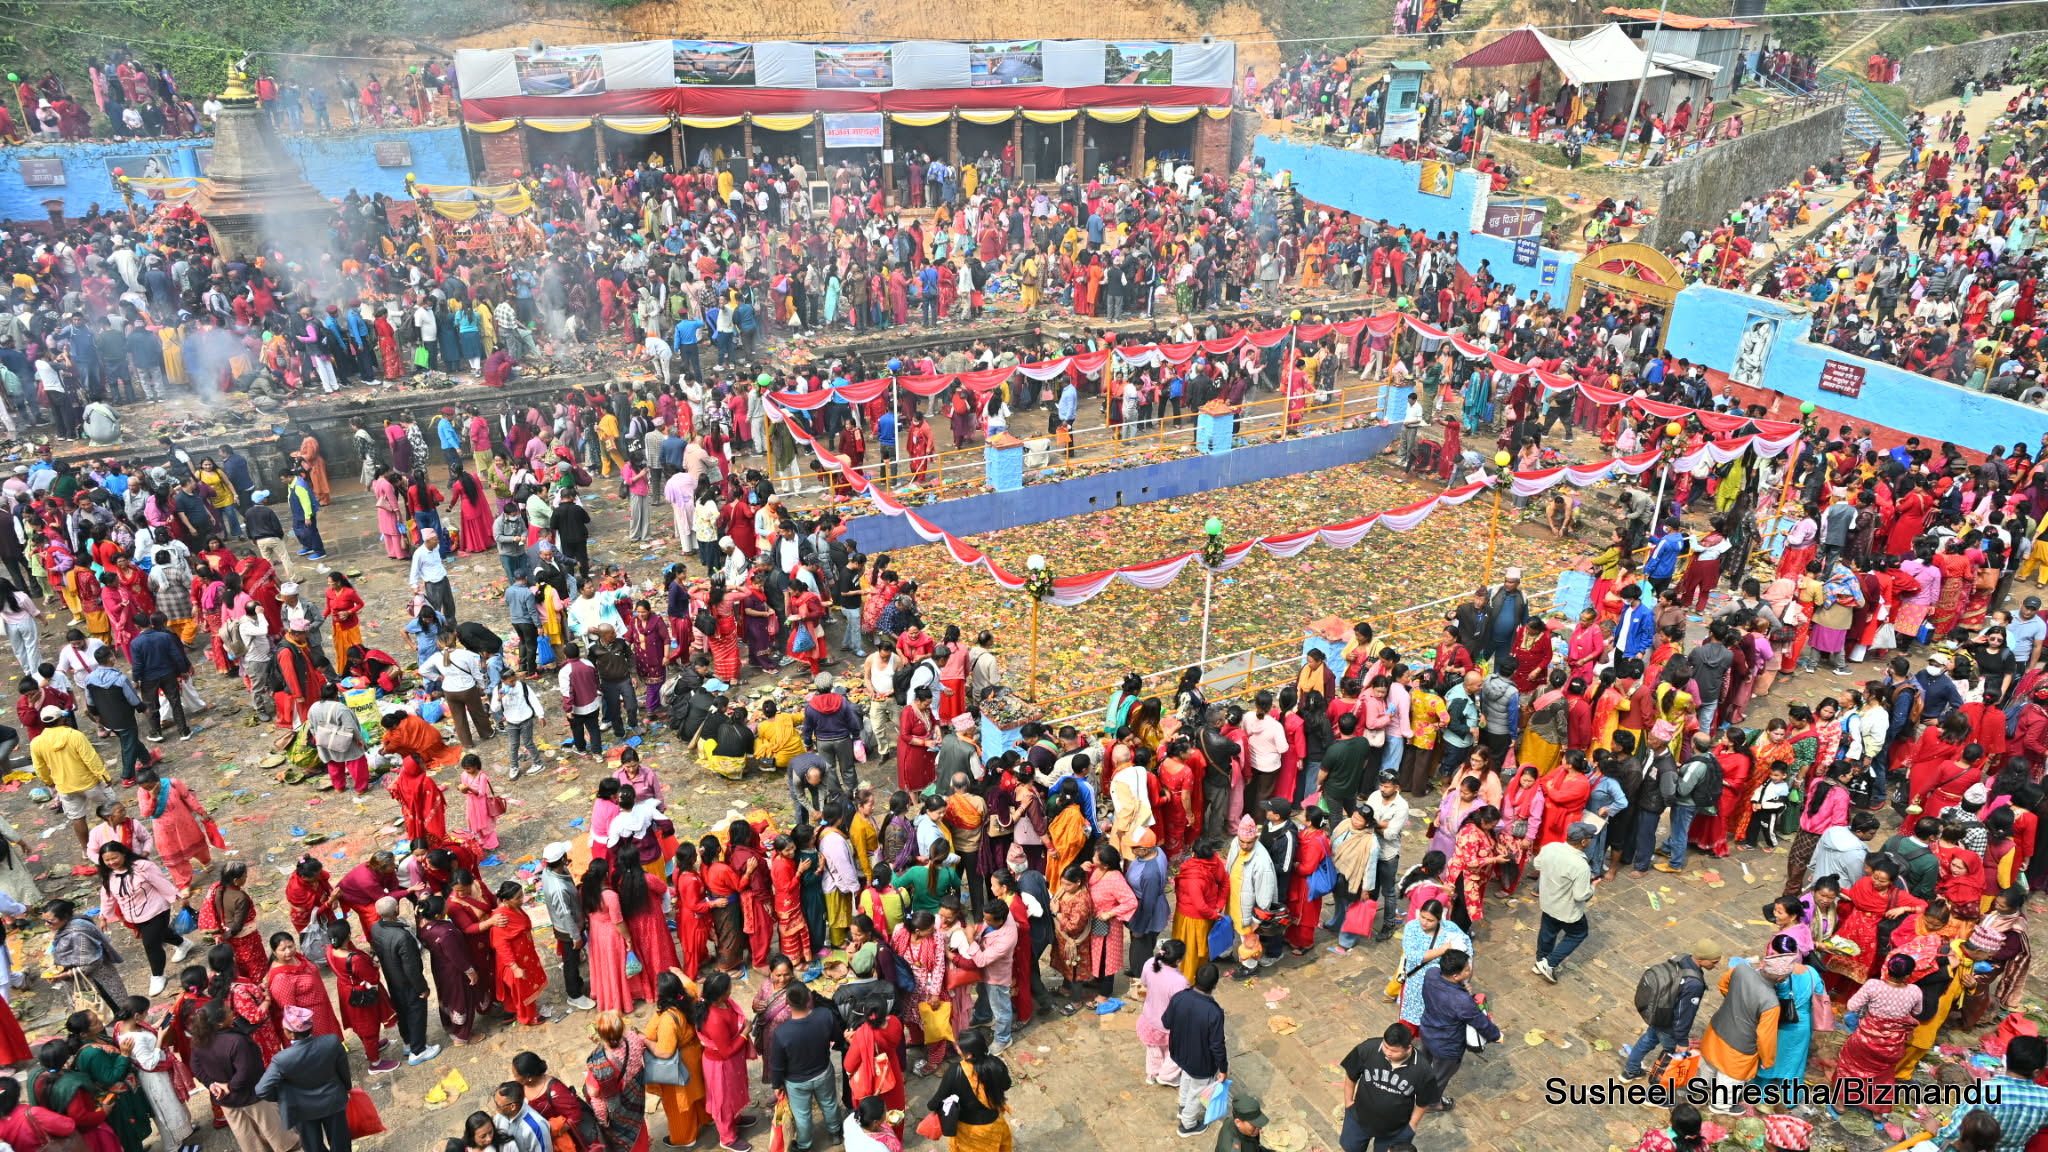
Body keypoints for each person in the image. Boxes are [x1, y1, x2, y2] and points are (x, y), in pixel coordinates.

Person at [254, 1004, 353, 1152]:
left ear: (291, 1034)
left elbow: (262, 1089)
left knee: (313, 1146)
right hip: (333, 1100)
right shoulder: (331, 1042)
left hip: (302, 1109)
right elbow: (343, 1070)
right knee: (341, 1143)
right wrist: (346, 1088)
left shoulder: (282, 1059)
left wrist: (282, 1096)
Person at [1698, 944, 1782, 1114]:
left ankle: (1699, 1087)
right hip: (1740, 1044)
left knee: (1709, 1062)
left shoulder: (1741, 969)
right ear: (1780, 979)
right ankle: (1720, 1105)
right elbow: (1765, 1035)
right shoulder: (1771, 1002)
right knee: (1729, 1076)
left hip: (1717, 1027)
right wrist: (1768, 1060)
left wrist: (1732, 1001)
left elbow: (1723, 984)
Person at [1933, 1034, 2047, 1152]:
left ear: (2006, 1059)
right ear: (2037, 1072)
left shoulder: (1986, 1092)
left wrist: (1936, 1130)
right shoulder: (2045, 1099)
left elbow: (1953, 1134)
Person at [1621, 942, 1717, 1081]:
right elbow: (1683, 1014)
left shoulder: (1681, 958)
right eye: (1714, 962)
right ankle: (1657, 1093)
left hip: (1658, 1012)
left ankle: (1630, 1071)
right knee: (1671, 1057)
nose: (1716, 966)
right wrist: (1682, 1041)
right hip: (1669, 1022)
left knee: (1648, 1039)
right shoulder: (1694, 984)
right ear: (1701, 959)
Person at [1339, 1022, 1440, 1152]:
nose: (1388, 1052)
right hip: (1358, 1118)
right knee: (1351, 1149)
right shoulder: (1368, 1048)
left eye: (1394, 1051)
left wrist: (1412, 1124)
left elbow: (1424, 1101)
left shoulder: (1423, 1069)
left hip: (1396, 1130)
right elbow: (1351, 1075)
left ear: (1408, 1048)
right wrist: (1348, 1103)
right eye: (1385, 1046)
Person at [767, 980, 843, 1152]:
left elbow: (777, 1065)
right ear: (809, 997)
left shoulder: (781, 1033)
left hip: (797, 1082)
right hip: (823, 1072)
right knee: (829, 1103)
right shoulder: (824, 1015)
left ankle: (804, 1145)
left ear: (787, 1003)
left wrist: (777, 1085)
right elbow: (837, 1036)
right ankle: (835, 1133)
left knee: (802, 1115)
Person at [1417, 949, 1497, 1108]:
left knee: (1423, 1063)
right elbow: (1480, 1023)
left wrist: (1461, 987)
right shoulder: (1462, 1002)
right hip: (1447, 1045)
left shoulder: (1431, 974)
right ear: (1455, 976)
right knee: (1440, 1076)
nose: (1470, 970)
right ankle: (1433, 1103)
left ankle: (1416, 1084)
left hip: (1427, 1031)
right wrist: (1496, 1035)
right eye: (1467, 969)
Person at [368, 896, 440, 1067]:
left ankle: (408, 1042)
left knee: (402, 1011)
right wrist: (422, 987)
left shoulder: (376, 928)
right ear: (396, 911)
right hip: (408, 982)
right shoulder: (402, 937)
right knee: (416, 1013)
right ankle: (418, 1050)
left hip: (392, 978)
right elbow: (411, 968)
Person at [1163, 961, 1228, 1138]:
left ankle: (1183, 1106)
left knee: (1186, 1076)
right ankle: (1188, 1124)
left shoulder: (1179, 997)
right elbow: (1217, 1045)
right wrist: (1223, 1068)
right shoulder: (1214, 1012)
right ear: (1215, 985)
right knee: (1198, 1092)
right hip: (1201, 1062)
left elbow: (1166, 1022)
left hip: (1180, 1052)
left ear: (1194, 979)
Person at [644, 971, 709, 1148]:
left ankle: (684, 1137)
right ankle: (706, 1118)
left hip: (680, 1064)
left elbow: (664, 1052)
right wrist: (677, 972)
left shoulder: (668, 1019)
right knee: (699, 1090)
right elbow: (690, 983)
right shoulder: (689, 997)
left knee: (680, 1103)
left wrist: (646, 1042)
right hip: (696, 1055)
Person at [697, 970, 760, 1152]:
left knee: (734, 1092)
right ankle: (728, 1138)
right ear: (720, 994)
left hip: (732, 1062)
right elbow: (726, 1051)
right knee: (723, 1101)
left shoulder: (723, 1004)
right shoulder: (714, 1019)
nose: (732, 990)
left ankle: (736, 1119)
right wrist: (745, 1032)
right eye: (729, 988)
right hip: (721, 1065)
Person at [923, 1029, 1010, 1152]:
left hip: (969, 1131)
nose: (957, 1048)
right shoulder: (996, 1064)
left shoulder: (955, 1071)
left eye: (959, 1047)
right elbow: (1006, 1085)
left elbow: (934, 1103)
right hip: (993, 1124)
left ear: (969, 1055)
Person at [1531, 822, 1595, 982]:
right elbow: (1581, 895)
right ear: (1583, 842)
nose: (1591, 841)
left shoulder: (1550, 848)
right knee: (1578, 933)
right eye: (1590, 838)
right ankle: (1550, 963)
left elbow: (1537, 864)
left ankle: (1540, 961)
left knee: (1548, 931)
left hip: (1548, 901)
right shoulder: (1581, 866)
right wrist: (1592, 887)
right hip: (1567, 910)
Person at [585, 1010, 649, 1152]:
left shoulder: (600, 1063)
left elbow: (594, 1091)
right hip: (635, 1096)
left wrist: (602, 1121)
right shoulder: (632, 1038)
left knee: (624, 1140)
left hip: (618, 1106)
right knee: (638, 1125)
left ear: (601, 1035)